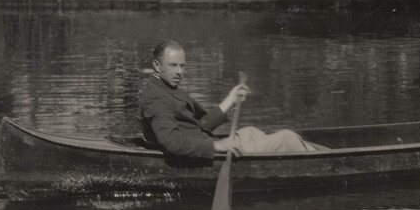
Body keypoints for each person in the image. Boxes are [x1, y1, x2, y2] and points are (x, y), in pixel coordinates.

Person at [139, 40, 325, 158]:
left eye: (182, 66)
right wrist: (216, 145)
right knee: (286, 137)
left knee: (251, 131)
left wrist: (232, 100)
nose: (179, 72)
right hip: (202, 153)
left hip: (200, 141)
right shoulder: (156, 98)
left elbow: (201, 125)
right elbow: (170, 141)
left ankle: (318, 156)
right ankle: (327, 161)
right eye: (173, 66)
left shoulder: (168, 88)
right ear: (157, 65)